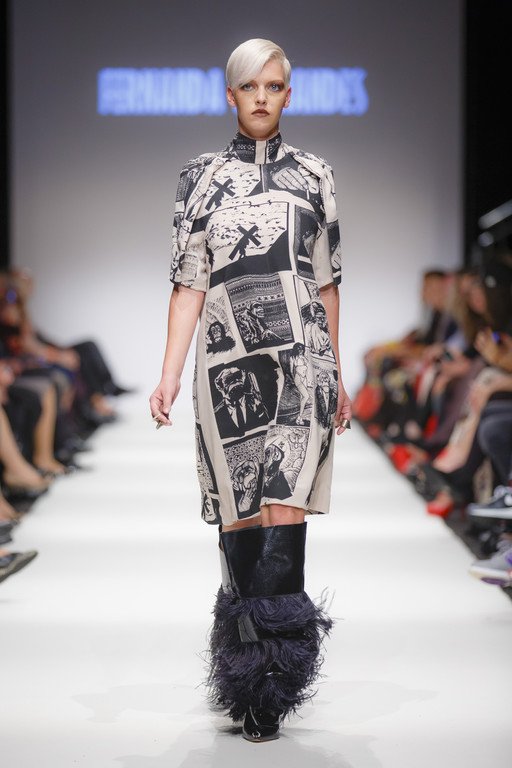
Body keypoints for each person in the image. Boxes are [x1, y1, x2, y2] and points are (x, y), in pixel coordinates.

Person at [149, 38, 351, 743]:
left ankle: (274, 684)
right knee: (239, 517)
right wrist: (168, 375)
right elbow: (188, 285)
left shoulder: (317, 176)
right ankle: (242, 668)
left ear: (288, 94)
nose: (261, 97)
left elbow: (327, 283)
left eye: (273, 85)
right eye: (249, 86)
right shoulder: (198, 179)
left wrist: (338, 372)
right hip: (226, 365)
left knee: (283, 512)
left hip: (301, 362)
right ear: (230, 95)